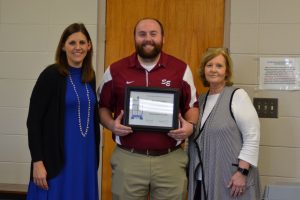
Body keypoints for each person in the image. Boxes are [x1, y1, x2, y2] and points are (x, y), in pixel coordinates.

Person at [97, 18, 199, 200]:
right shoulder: (115, 70)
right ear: (134, 38)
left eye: (153, 34)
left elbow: (192, 106)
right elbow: (102, 107)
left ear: (163, 38)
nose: (148, 39)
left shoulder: (181, 69)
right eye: (142, 34)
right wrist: (112, 125)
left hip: (170, 160)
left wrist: (189, 127)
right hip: (129, 159)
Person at [26, 23, 100, 200]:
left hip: (85, 157)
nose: (78, 47)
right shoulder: (51, 75)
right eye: (72, 42)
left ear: (89, 46)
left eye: (82, 43)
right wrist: (37, 161)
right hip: (58, 159)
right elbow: (34, 121)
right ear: (63, 46)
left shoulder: (89, 76)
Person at [188, 48, 261, 200]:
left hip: (232, 179)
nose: (213, 70)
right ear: (203, 69)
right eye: (209, 65)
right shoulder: (199, 100)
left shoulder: (237, 96)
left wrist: (242, 172)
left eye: (219, 66)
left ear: (226, 71)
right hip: (201, 179)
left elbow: (252, 136)